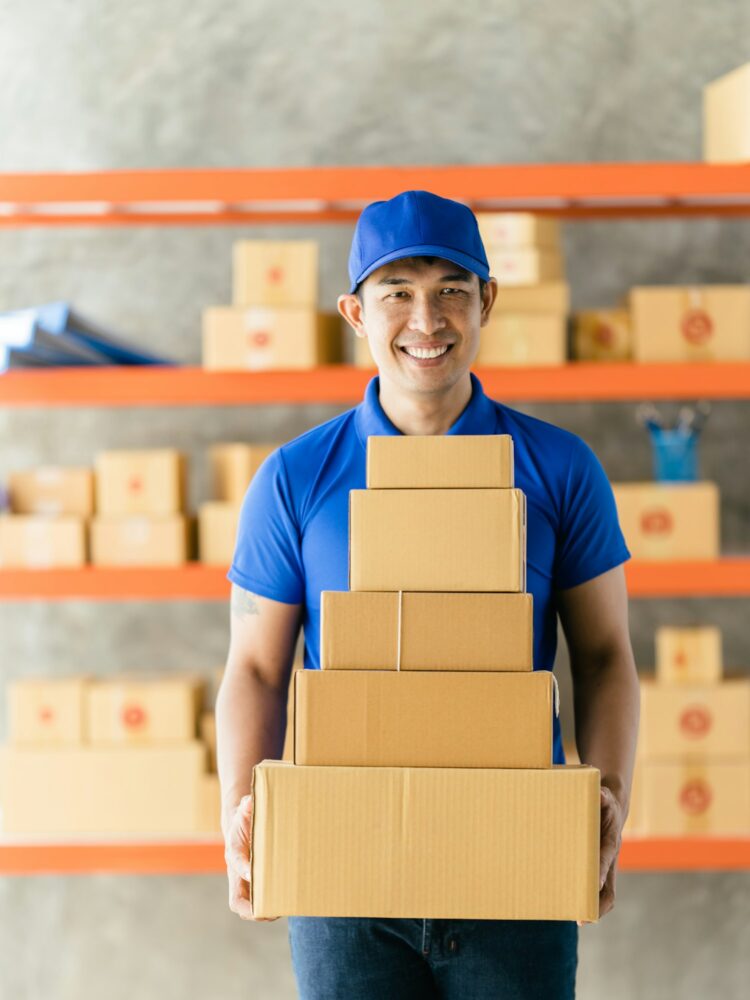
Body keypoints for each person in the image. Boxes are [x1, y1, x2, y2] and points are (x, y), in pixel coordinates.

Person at [217, 190, 640, 1000]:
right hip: (346, 871)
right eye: (397, 293)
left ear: (486, 299)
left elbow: (604, 654)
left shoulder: (558, 467)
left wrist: (609, 795)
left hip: (514, 856)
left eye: (452, 288)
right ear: (354, 311)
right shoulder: (296, 480)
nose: (427, 319)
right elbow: (257, 670)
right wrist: (243, 808)